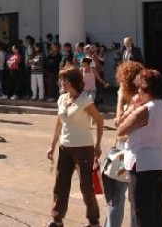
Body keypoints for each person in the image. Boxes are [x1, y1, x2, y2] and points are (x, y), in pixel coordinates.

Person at [46, 65, 103, 227]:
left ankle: (93, 221)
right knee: (60, 184)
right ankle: (57, 219)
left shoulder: (85, 100)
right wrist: (52, 145)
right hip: (65, 147)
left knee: (86, 187)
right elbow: (59, 122)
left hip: (84, 148)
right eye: (61, 79)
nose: (61, 82)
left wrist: (98, 145)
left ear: (73, 81)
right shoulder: (62, 98)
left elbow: (100, 121)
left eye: (64, 79)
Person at [117, 69, 162, 227]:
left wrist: (132, 106)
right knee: (158, 210)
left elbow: (120, 129)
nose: (137, 91)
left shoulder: (144, 110)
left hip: (142, 165)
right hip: (161, 163)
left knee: (141, 212)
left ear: (145, 88)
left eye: (139, 88)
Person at [102, 61, 144, 227]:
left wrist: (119, 98)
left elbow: (120, 126)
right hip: (126, 152)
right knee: (118, 200)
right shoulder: (135, 101)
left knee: (128, 201)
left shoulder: (137, 101)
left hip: (131, 154)